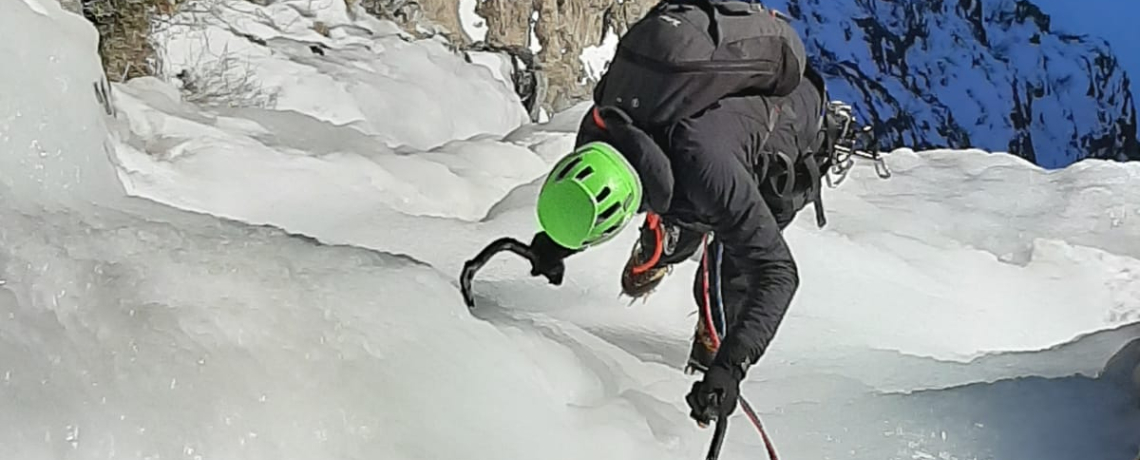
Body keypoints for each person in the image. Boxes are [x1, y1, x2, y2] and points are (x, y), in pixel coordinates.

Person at [520, 0, 858, 428]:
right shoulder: (601, 127)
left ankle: (708, 318)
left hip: (789, 127)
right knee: (691, 196)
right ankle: (681, 227)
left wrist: (730, 367)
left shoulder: (706, 167)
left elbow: (776, 274)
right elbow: (586, 195)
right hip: (696, 136)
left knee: (737, 259)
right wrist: (555, 243)